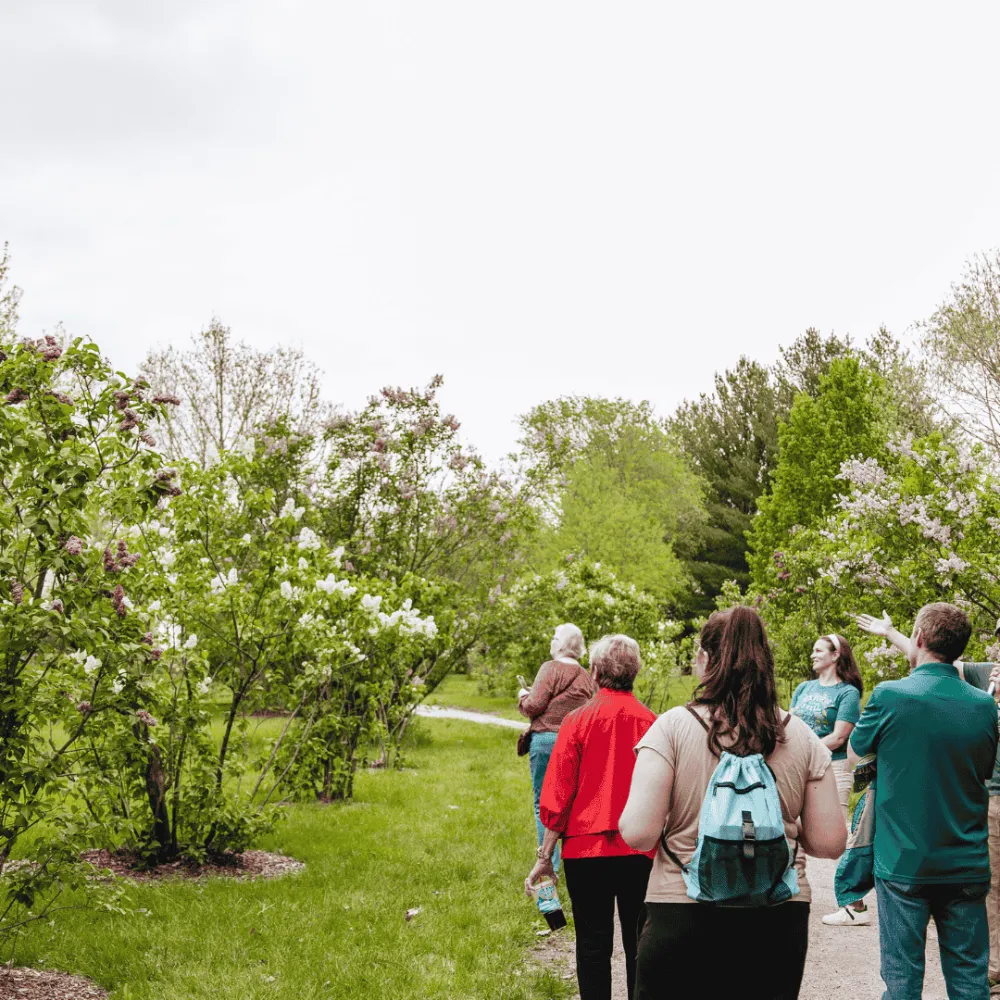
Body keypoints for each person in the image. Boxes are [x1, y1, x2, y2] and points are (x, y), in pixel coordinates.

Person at [619, 607, 846, 1000]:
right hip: (777, 914)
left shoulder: (672, 728)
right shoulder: (802, 736)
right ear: (764, 663)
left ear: (706, 660)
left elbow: (638, 834)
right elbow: (829, 843)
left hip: (682, 908)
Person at [849, 603, 998, 1000]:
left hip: (902, 862)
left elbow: (855, 756)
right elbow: (983, 769)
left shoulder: (889, 695)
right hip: (965, 862)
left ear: (917, 638)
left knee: (902, 981)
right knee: (969, 981)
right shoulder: (985, 705)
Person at [523, 635, 657, 1000]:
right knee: (639, 945)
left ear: (595, 672)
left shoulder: (576, 721)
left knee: (593, 944)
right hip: (640, 851)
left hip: (585, 853)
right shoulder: (653, 723)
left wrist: (544, 859)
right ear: (635, 672)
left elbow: (557, 797)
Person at [789, 632, 868, 927]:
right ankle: (786, 886)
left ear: (836, 655)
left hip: (832, 769)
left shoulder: (847, 693)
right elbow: (791, 723)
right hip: (798, 767)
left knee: (837, 835)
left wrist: (801, 748)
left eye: (818, 650)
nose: (813, 655)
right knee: (789, 824)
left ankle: (855, 905)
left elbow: (838, 737)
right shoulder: (803, 687)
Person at [518, 623, 596, 874]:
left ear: (563, 645)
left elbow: (534, 705)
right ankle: (575, 861)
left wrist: (522, 696)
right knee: (571, 803)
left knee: (544, 804)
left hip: (545, 743)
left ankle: (548, 865)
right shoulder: (586, 676)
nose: (551, 642)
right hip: (575, 745)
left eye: (554, 638)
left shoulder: (549, 669)